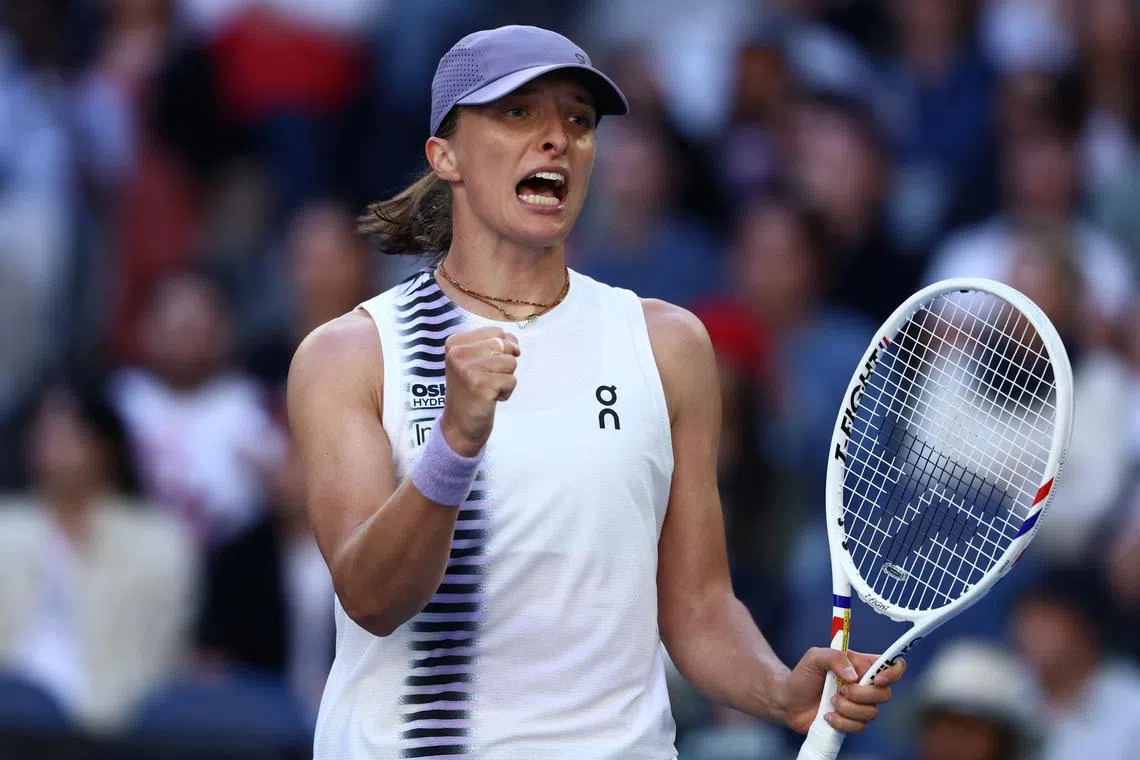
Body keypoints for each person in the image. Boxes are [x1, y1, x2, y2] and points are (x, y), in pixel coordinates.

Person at [287, 25, 904, 759]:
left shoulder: (669, 344)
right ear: (444, 155)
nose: (557, 138)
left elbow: (699, 607)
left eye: (578, 120)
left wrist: (779, 691)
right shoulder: (351, 354)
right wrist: (454, 444)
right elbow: (372, 599)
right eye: (518, 113)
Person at [0, 380, 197, 733]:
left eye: (69, 434)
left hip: (116, 724)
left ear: (106, 446)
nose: (53, 447)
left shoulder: (157, 541)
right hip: (11, 716)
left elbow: (160, 653)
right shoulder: (7, 529)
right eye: (44, 434)